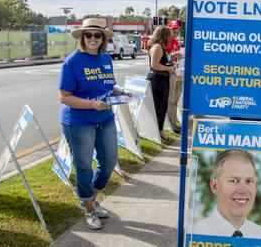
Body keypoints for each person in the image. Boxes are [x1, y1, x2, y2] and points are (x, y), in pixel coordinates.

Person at [58, 17, 131, 230]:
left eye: (97, 35)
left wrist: (121, 92)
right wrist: (92, 104)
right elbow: (64, 97)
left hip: (105, 118)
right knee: (83, 165)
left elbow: (109, 85)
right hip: (79, 121)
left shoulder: (105, 59)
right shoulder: (72, 61)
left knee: (109, 161)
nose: (92, 38)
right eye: (88, 35)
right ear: (82, 37)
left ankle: (90, 198)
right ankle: (90, 209)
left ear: (103, 38)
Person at [192, 149, 261, 240]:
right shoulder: (193, 236)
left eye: (249, 181)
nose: (243, 190)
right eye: (233, 181)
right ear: (215, 186)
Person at [146, 25, 175, 141]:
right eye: (169, 35)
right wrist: (169, 69)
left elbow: (163, 62)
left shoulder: (161, 47)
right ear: (164, 35)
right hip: (157, 79)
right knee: (158, 106)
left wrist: (171, 61)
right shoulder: (157, 47)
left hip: (162, 78)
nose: (170, 37)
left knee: (163, 105)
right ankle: (156, 131)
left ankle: (160, 130)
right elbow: (155, 65)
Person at [166, 20, 184, 132]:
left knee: (176, 99)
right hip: (170, 73)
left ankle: (174, 120)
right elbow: (164, 58)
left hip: (178, 71)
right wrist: (172, 56)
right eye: (173, 29)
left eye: (177, 28)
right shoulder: (166, 41)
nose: (175, 31)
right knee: (171, 99)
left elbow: (177, 58)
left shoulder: (176, 42)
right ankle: (170, 124)